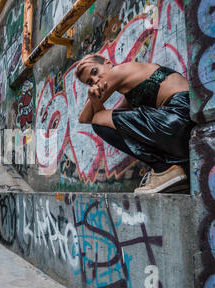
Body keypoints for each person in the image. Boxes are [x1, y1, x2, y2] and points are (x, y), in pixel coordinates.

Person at [74, 54, 195, 193]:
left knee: (99, 120)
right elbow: (109, 124)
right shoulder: (130, 93)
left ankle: (165, 169)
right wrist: (96, 102)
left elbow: (86, 118)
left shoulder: (117, 71)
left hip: (179, 114)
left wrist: (93, 98)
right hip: (183, 123)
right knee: (105, 122)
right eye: (90, 82)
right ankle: (172, 167)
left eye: (95, 72)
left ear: (107, 63)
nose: (96, 80)